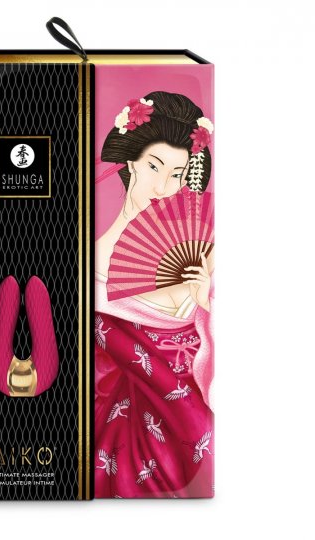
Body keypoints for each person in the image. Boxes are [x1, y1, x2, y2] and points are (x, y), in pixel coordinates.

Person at [95, 91, 215, 498]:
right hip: (131, 414)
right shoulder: (91, 261)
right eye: (154, 166)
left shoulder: (201, 249)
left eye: (178, 174)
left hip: (200, 407)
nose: (164, 187)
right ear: (131, 162)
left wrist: (205, 304)